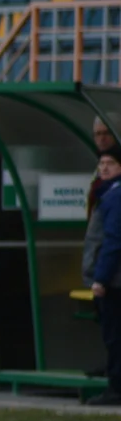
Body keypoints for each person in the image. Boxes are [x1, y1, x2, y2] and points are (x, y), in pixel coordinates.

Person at [87, 146, 121, 405]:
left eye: (110, 162)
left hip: (113, 281)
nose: (104, 168)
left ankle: (116, 388)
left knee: (114, 335)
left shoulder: (115, 196)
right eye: (101, 163)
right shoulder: (107, 195)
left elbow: (113, 241)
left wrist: (100, 277)